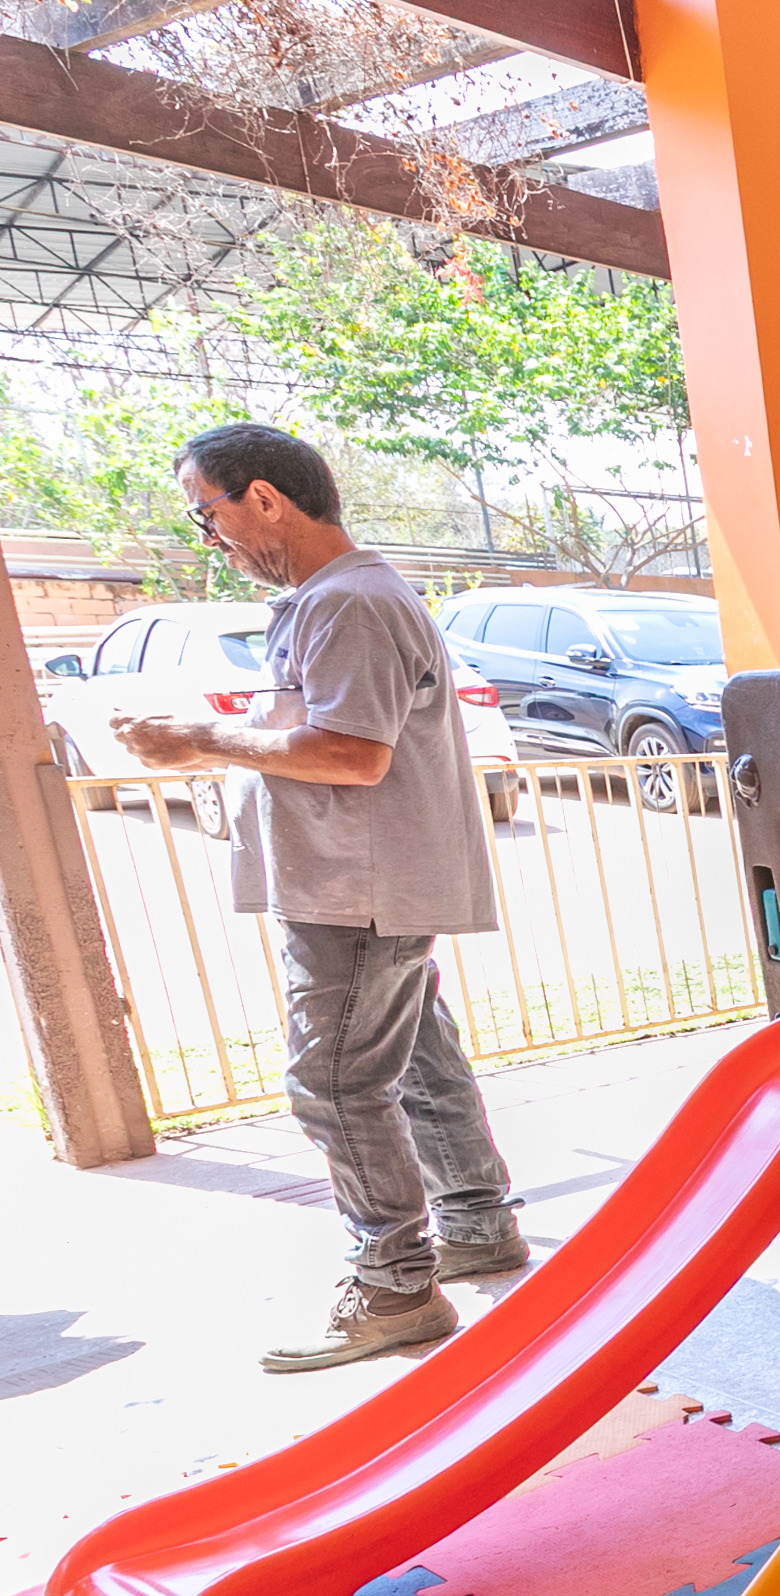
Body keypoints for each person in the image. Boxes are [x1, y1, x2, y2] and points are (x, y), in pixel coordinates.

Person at [117, 423, 526, 1372]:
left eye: (207, 514)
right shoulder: (336, 597)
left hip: (356, 890)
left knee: (334, 1083)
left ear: (265, 497)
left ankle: (394, 1287)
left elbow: (351, 752)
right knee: (414, 1058)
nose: (209, 538)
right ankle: (475, 1222)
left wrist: (199, 740)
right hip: (364, 884)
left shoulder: (348, 601)